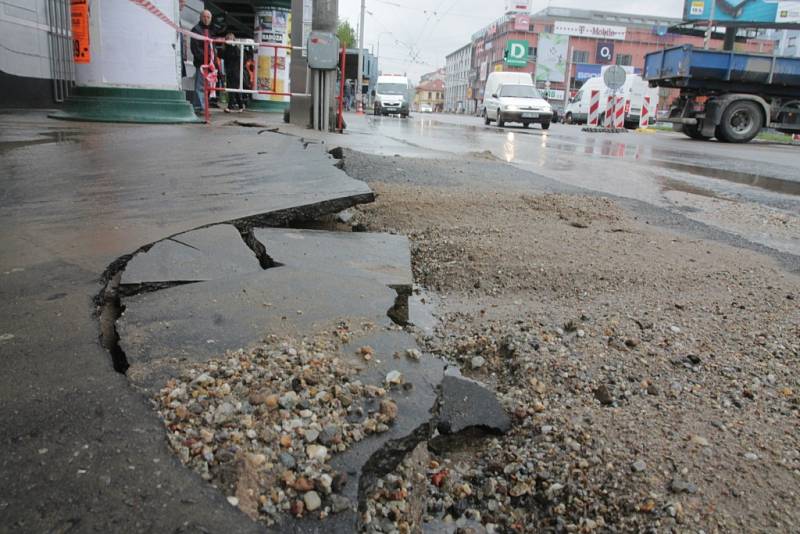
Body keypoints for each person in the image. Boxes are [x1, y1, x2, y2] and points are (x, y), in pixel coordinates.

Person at [190, 10, 214, 113]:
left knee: (206, 86)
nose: (206, 19)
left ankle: (201, 106)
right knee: (200, 86)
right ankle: (200, 107)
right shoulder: (196, 29)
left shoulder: (210, 31)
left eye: (208, 17)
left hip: (209, 64)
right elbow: (195, 48)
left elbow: (212, 48)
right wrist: (206, 59)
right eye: (204, 16)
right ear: (200, 17)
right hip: (202, 63)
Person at [222, 33, 244, 113]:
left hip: (235, 71)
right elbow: (222, 55)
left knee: (233, 89)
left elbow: (237, 57)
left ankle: (230, 106)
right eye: (227, 38)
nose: (229, 40)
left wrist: (232, 46)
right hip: (229, 71)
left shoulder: (236, 49)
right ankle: (241, 106)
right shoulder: (226, 49)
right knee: (235, 90)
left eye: (230, 39)